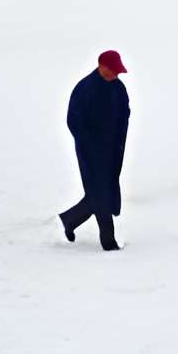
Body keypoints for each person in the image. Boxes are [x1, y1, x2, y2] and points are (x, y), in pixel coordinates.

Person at [58, 50, 130, 250]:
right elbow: (73, 121)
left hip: (112, 152)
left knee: (98, 194)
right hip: (90, 153)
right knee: (101, 195)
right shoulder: (85, 89)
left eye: (118, 72)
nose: (116, 75)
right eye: (113, 70)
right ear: (102, 66)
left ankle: (69, 220)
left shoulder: (118, 88)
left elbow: (125, 113)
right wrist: (89, 143)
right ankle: (109, 243)